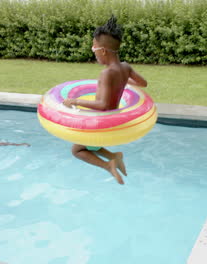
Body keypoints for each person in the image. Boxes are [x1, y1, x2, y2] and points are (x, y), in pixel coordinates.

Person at [63, 16, 147, 185]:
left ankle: (108, 165)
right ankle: (114, 156)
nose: (94, 54)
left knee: (77, 150)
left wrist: (75, 101)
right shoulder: (125, 67)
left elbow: (102, 105)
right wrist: (124, 80)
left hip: (99, 122)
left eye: (94, 50)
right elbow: (143, 83)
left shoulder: (106, 73)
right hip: (111, 122)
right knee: (88, 145)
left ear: (102, 51)